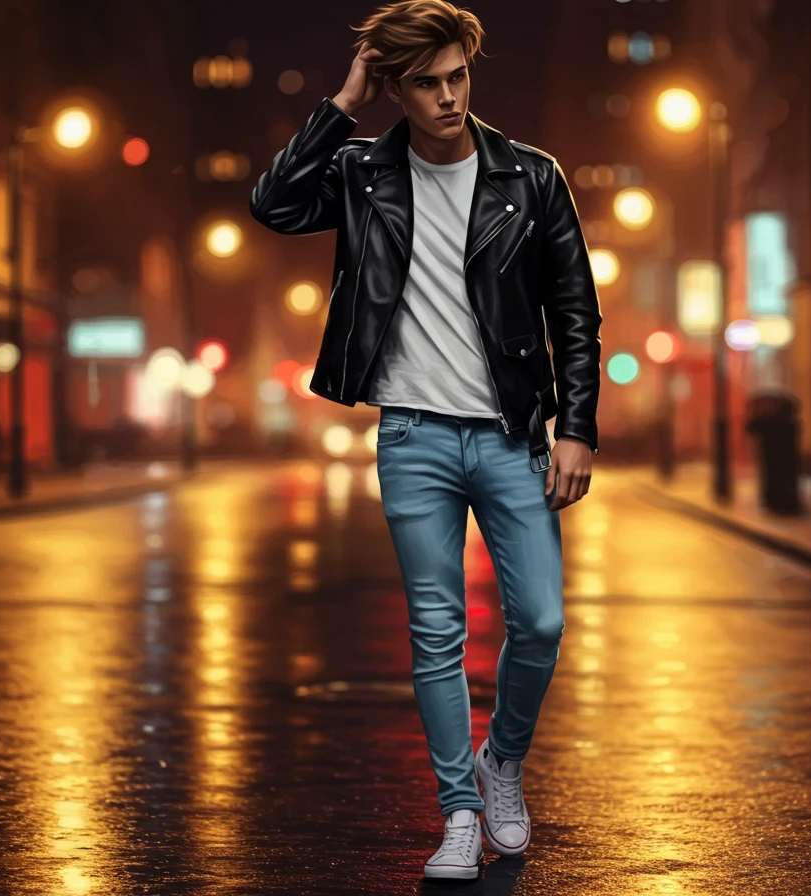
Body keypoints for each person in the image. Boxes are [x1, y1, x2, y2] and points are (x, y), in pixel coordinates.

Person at [250, 0, 601, 880]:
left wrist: (578, 428)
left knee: (542, 621)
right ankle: (456, 812)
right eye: (427, 83)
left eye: (458, 78)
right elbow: (272, 204)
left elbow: (575, 311)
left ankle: (503, 764)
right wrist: (344, 102)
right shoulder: (363, 171)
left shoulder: (531, 176)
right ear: (398, 89)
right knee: (436, 629)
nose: (448, 97)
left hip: (512, 435)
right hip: (411, 436)